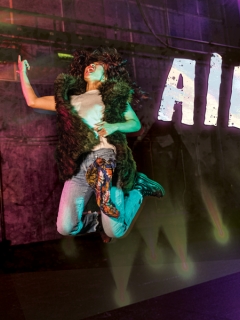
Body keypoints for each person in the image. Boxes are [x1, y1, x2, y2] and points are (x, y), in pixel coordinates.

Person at [17, 47, 164, 242]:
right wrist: (23, 74)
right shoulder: (71, 101)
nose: (90, 66)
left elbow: (134, 123)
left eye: (96, 66)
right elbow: (33, 101)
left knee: (115, 232)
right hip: (78, 167)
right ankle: (98, 221)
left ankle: (138, 189)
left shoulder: (112, 97)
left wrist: (113, 126)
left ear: (105, 77)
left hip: (104, 158)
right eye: (88, 65)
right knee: (65, 227)